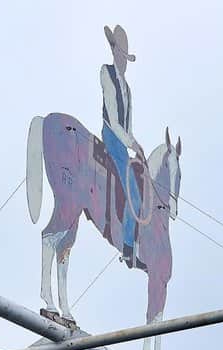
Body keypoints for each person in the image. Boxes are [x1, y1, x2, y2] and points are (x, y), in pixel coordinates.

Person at [101, 25, 144, 267]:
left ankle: (134, 247)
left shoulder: (128, 89)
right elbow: (115, 121)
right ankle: (128, 250)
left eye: (125, 57)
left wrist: (135, 144)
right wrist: (132, 143)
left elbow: (128, 125)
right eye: (120, 54)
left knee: (140, 187)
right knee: (135, 199)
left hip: (123, 141)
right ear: (113, 52)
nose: (123, 60)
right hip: (111, 135)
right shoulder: (105, 73)